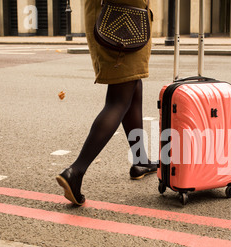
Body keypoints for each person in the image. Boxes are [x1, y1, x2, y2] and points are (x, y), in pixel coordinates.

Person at [56, 0, 156, 206]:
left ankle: (140, 160)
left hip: (122, 18)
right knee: (118, 100)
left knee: (132, 86)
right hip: (123, 21)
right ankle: (76, 171)